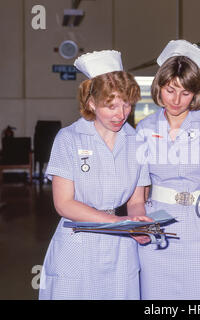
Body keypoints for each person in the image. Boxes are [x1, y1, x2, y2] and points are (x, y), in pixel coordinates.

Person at [39, 50, 151, 300]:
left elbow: (135, 201)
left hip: (121, 247)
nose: (120, 114)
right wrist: (118, 224)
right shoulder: (68, 139)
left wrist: (139, 224)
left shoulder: (137, 141)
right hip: (78, 241)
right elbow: (64, 203)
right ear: (91, 103)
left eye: (126, 104)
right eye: (110, 105)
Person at [136, 39, 200, 299]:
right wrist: (139, 222)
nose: (177, 100)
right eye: (170, 90)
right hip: (158, 222)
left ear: (196, 92)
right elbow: (138, 188)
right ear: (159, 87)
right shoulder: (145, 127)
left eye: (185, 93)